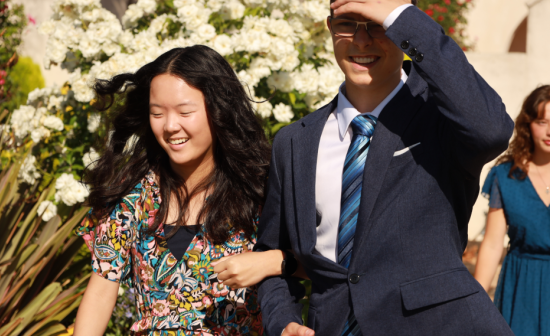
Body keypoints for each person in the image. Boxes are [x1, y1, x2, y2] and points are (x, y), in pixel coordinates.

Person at [254, 0, 516, 335]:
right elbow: (273, 251)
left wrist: (402, 19)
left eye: (377, 24)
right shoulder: (293, 142)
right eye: (348, 23)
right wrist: (284, 321)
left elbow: (492, 130)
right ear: (330, 28)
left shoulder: (441, 122)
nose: (362, 41)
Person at [72, 45, 292, 336]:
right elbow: (100, 294)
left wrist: (271, 261)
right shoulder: (133, 198)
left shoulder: (260, 192)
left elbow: (325, 267)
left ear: (219, 111)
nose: (170, 126)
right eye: (157, 113)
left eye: (185, 111)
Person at [474, 85, 550, 336]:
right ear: (528, 124)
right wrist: (474, 305)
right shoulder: (506, 176)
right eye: (542, 121)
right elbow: (493, 243)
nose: (549, 131)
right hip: (521, 287)